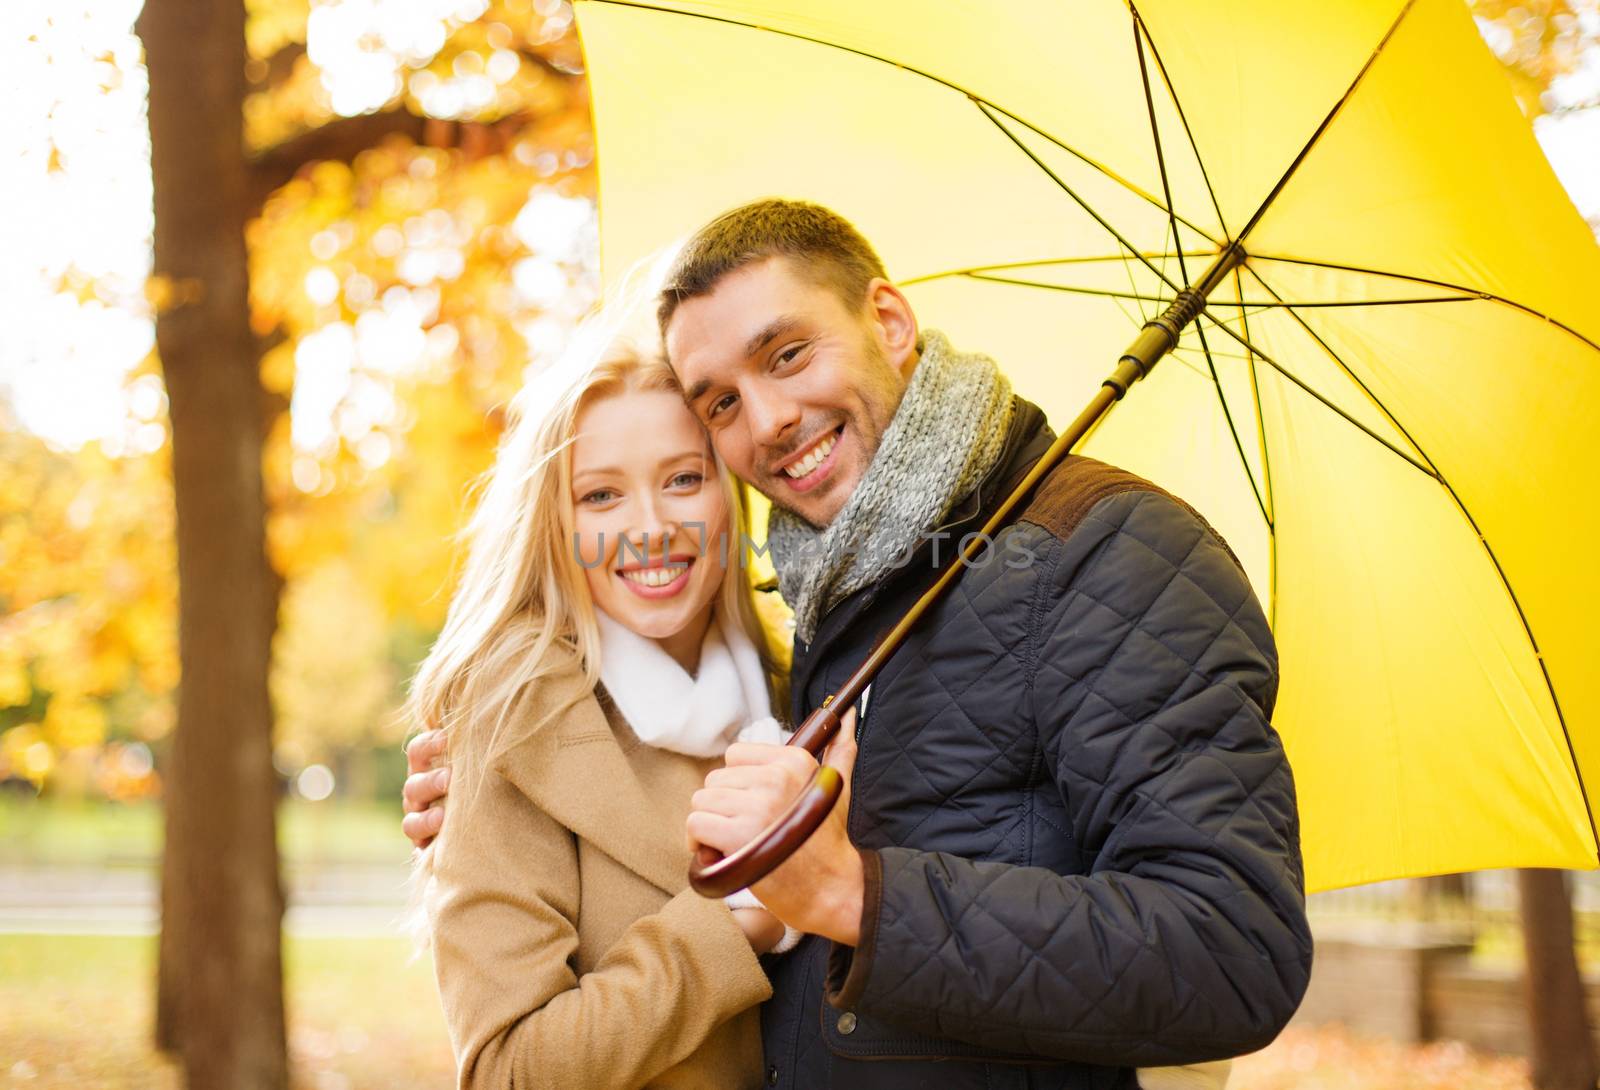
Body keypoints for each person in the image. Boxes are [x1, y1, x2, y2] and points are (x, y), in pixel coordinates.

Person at [407, 199, 1314, 1089]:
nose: (766, 422)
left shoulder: (1114, 552)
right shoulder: (832, 607)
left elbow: (1231, 950)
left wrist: (848, 896)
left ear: (888, 320)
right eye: (721, 402)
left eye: (788, 354)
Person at [405, 288, 852, 1090]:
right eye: (601, 495)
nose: (649, 526)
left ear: (730, 494)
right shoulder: (511, 724)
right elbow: (509, 1071)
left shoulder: (809, 689)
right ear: (556, 524)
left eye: (683, 479)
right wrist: (736, 918)